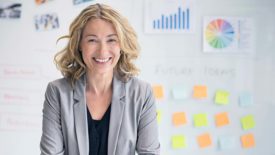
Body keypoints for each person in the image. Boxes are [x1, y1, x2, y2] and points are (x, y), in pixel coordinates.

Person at [40, 3, 160, 155]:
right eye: (92, 40)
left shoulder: (141, 94)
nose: (103, 51)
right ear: (79, 44)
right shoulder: (57, 92)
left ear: (122, 44)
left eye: (111, 40)